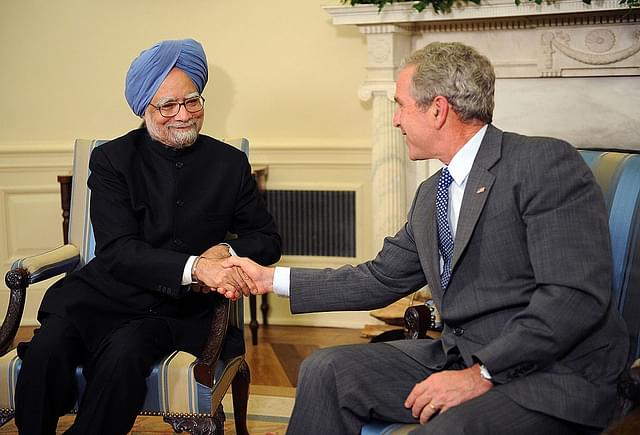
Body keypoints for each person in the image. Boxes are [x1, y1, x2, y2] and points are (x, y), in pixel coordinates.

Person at [222, 42, 629, 435]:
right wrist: (268, 279)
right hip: (460, 358)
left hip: (552, 375)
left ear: (438, 110)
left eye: (399, 105)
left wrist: (482, 372)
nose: (395, 120)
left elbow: (572, 297)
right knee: (327, 370)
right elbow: (380, 279)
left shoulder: (542, 163)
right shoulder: (432, 193)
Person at [14, 38, 280, 435]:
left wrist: (224, 249)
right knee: (46, 354)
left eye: (192, 101)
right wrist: (198, 268)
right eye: (168, 106)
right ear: (144, 108)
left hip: (176, 311)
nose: (183, 115)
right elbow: (118, 252)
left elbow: (267, 238)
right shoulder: (111, 160)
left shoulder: (229, 163)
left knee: (124, 355)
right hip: (102, 296)